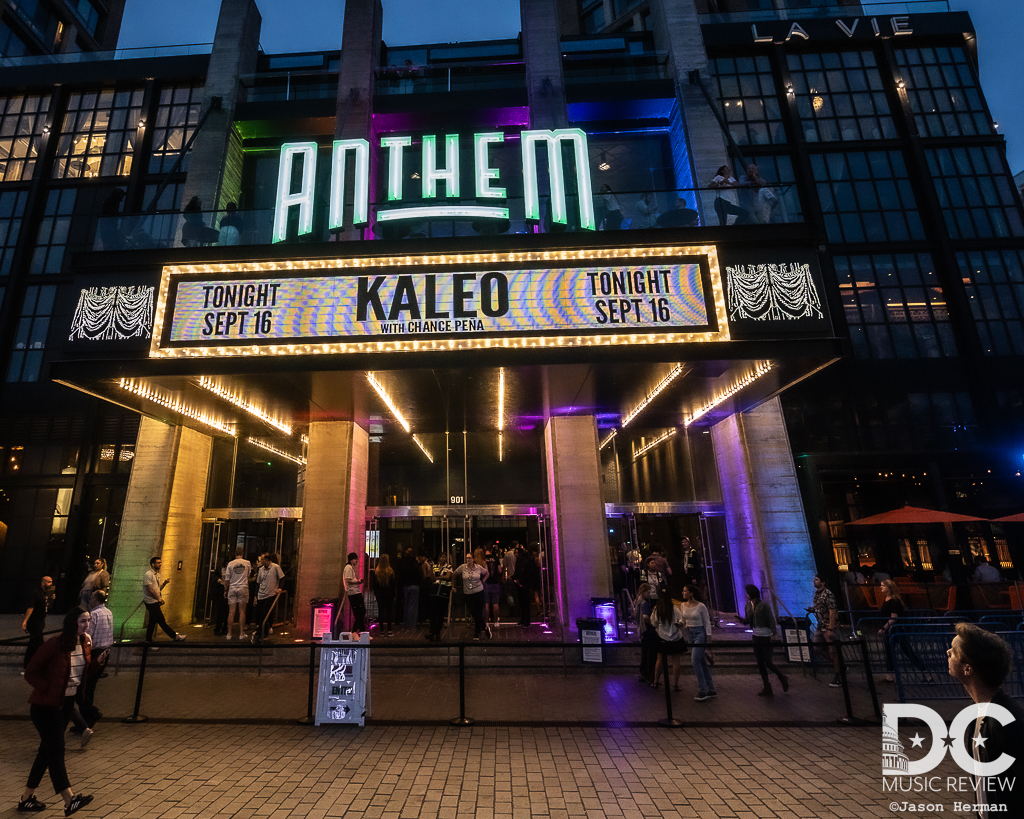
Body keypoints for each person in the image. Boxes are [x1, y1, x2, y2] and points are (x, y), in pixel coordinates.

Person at [18, 607, 95, 815]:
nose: (86, 625)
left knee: (46, 752)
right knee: (56, 751)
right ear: (72, 622)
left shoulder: (85, 642)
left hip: (66, 705)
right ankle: (70, 800)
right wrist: (48, 688)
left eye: (88, 621)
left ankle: (26, 799)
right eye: (82, 621)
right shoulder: (55, 644)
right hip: (45, 706)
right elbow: (31, 672)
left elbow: (80, 671)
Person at [946, 623, 1024, 817]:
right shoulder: (978, 717)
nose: (948, 652)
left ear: (968, 668)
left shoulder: (1005, 722)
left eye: (954, 651)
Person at [739, 584, 788, 696]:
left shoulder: (764, 605)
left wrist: (773, 634)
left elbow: (771, 619)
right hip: (755, 635)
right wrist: (742, 620)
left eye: (747, 592)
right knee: (760, 662)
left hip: (765, 635)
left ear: (752, 593)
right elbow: (748, 620)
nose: (746, 594)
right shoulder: (747, 606)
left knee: (768, 661)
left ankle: (782, 677)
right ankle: (767, 686)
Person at [877, 578, 928, 682]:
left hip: (897, 630)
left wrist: (884, 628)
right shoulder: (888, 599)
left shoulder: (894, 601)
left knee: (907, 651)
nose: (881, 587)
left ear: (889, 587)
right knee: (891, 652)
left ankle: (926, 674)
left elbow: (894, 617)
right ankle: (890, 676)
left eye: (883, 585)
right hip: (893, 630)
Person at [80, 590, 113, 727]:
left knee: (84, 686)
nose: (90, 600)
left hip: (95, 652)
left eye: (92, 598)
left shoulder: (93, 614)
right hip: (106, 651)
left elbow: (88, 635)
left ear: (95, 600)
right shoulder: (108, 612)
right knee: (90, 686)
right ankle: (86, 721)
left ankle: (90, 713)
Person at [680, 584, 716, 701]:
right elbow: (683, 619)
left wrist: (709, 637)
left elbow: (707, 622)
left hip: (700, 633)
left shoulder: (701, 606)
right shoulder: (682, 605)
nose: (683, 593)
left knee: (695, 660)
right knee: (701, 662)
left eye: (685, 591)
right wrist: (680, 623)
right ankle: (711, 689)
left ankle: (702, 690)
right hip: (689, 632)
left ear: (691, 593)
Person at [807, 574, 841, 687]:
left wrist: (831, 628)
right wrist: (813, 609)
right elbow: (820, 607)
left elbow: (832, 611)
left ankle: (838, 675)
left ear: (823, 582)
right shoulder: (817, 594)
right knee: (817, 646)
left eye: (816, 580)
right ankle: (838, 666)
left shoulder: (828, 594)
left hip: (828, 625)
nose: (814, 581)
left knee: (833, 650)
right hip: (820, 625)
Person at [649, 586, 686, 690]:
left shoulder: (657, 609)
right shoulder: (674, 608)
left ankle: (656, 682)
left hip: (662, 637)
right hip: (676, 638)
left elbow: (654, 623)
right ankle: (675, 684)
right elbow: (682, 620)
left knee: (659, 659)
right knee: (676, 660)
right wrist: (679, 625)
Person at [143, 556, 186, 643]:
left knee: (153, 622)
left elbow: (157, 589)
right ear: (152, 564)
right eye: (158, 563)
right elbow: (150, 590)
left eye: (160, 563)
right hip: (151, 602)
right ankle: (174, 636)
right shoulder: (148, 574)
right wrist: (159, 599)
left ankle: (148, 640)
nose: (160, 564)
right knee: (161, 621)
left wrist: (164, 584)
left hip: (155, 601)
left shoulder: (158, 575)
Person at [453, 551, 489, 639]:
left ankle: (477, 633)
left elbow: (487, 573)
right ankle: (484, 626)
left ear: (473, 559)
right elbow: (454, 575)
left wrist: (483, 581)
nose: (468, 559)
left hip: (478, 591)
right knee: (473, 611)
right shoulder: (462, 567)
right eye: (467, 558)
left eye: (469, 558)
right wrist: (453, 586)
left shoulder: (478, 567)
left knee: (479, 612)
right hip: (468, 593)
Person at [23, 576, 54, 669]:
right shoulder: (36, 592)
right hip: (34, 620)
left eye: (51, 582)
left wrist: (51, 598)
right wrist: (25, 620)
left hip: (41, 620)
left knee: (34, 644)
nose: (50, 584)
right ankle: (31, 665)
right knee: (37, 643)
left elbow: (47, 606)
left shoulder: (47, 593)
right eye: (48, 582)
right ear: (43, 582)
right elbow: (31, 607)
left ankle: (30, 664)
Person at [254, 553, 285, 643]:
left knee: (266, 612)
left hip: (270, 593)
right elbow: (258, 583)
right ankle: (261, 630)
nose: (261, 562)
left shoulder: (275, 567)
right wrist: (256, 595)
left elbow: (282, 577)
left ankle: (265, 630)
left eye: (262, 560)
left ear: (267, 560)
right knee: (260, 613)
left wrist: (280, 588)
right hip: (261, 593)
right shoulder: (261, 570)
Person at [223, 546, 252, 640]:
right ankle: (241, 633)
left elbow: (227, 579)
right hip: (243, 587)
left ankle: (229, 633)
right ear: (243, 553)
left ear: (234, 553)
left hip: (232, 588)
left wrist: (225, 590)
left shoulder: (230, 564)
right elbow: (248, 575)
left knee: (231, 612)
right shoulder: (247, 563)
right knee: (242, 611)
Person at [632, 583, 658, 685]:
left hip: (641, 631)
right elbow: (646, 617)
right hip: (647, 631)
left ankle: (643, 673)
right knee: (650, 655)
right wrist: (653, 624)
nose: (649, 594)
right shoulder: (645, 603)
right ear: (643, 592)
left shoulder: (636, 602)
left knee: (644, 653)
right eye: (648, 592)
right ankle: (650, 675)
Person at [427, 554, 454, 642]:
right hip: (435, 592)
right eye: (442, 557)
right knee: (433, 614)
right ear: (439, 558)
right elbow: (432, 578)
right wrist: (431, 568)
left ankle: (437, 633)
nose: (444, 558)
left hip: (443, 592)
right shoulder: (435, 567)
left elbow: (447, 577)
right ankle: (431, 633)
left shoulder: (449, 567)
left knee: (441, 614)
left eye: (445, 557)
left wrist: (437, 577)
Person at [513, 545, 538, 628]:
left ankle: (526, 620)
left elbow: (528, 573)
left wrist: (519, 579)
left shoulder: (524, 561)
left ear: (519, 553)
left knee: (525, 603)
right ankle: (524, 619)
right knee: (522, 602)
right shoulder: (521, 560)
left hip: (524, 584)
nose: (515, 554)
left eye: (516, 553)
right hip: (521, 584)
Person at [397, 546, 420, 632]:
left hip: (405, 585)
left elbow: (400, 574)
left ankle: (405, 625)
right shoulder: (415, 563)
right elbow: (419, 573)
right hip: (414, 584)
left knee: (406, 605)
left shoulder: (403, 562)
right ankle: (411, 626)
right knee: (412, 606)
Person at [373, 554, 397, 636]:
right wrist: (394, 595)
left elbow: (374, 585)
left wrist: (376, 594)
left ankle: (382, 630)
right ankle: (389, 630)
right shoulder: (390, 571)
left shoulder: (377, 571)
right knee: (389, 612)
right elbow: (393, 585)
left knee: (381, 611)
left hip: (380, 595)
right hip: (389, 594)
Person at [343, 552, 366, 632]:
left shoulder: (350, 567)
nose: (357, 561)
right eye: (356, 559)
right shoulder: (348, 568)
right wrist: (358, 581)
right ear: (352, 559)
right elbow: (348, 580)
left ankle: (355, 631)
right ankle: (362, 631)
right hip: (354, 593)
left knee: (359, 612)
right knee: (360, 611)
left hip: (354, 592)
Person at [484, 546, 501, 625]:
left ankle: (486, 622)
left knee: (486, 603)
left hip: (486, 582)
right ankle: (496, 622)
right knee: (495, 603)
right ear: (491, 550)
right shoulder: (496, 558)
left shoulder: (483, 559)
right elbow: (500, 570)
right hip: (495, 582)